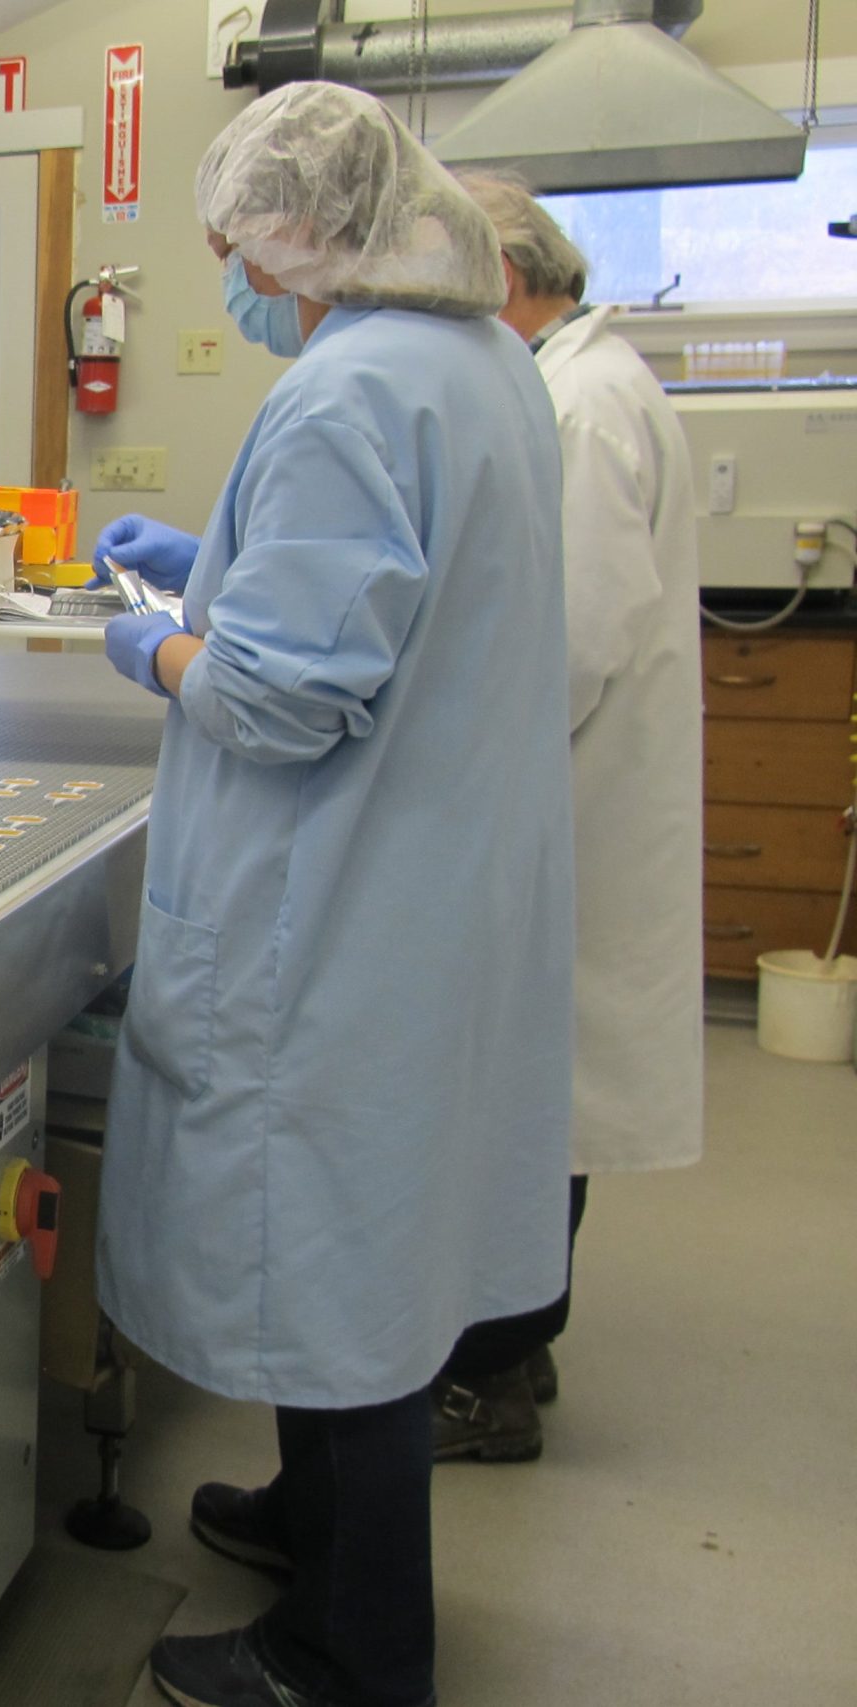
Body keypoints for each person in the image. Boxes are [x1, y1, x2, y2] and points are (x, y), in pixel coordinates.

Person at [89, 83, 574, 1707]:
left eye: (237, 247)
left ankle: (350, 1652)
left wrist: (163, 640)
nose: (236, 282)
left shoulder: (346, 393)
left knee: (335, 1255)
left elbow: (287, 700)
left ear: (306, 234)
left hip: (342, 908)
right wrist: (220, 564)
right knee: (382, 1239)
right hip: (438, 886)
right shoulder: (486, 363)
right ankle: (312, 1518)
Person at [424, 172, 703, 1463]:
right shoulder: (578, 381)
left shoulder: (582, 403)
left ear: (505, 274)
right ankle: (513, 1340)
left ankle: (491, 1372)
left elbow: (573, 636)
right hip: (571, 786)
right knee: (544, 1089)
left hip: (567, 792)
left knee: (536, 1094)